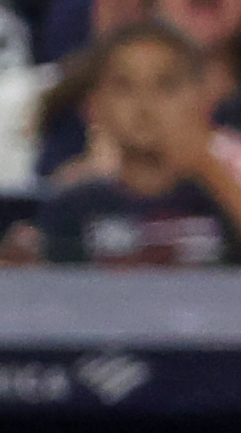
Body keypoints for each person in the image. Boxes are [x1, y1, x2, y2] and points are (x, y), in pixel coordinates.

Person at [41, 16, 241, 261]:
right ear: (94, 106)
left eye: (165, 85)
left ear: (202, 101)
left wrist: (210, 169)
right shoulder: (75, 207)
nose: (144, 104)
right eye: (125, 86)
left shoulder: (220, 200)